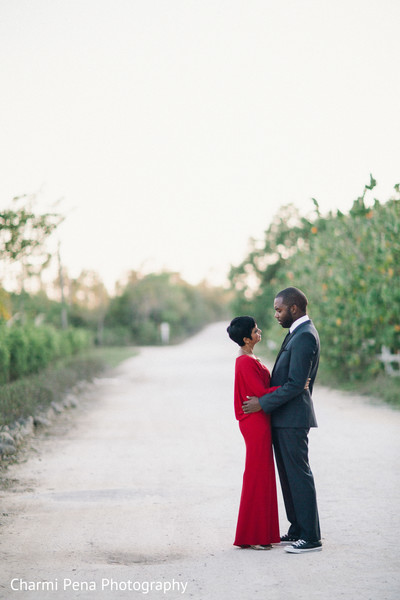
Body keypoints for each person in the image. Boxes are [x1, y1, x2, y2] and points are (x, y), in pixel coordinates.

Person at [243, 287, 322, 554]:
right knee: (288, 477)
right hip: (284, 418)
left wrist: (261, 403)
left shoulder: (304, 336)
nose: (276, 315)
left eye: (279, 310)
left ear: (294, 309)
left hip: (293, 419)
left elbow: (295, 384)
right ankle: (298, 528)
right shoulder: (296, 333)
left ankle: (311, 537)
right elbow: (292, 382)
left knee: (299, 476)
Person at [227, 316, 281, 550]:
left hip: (260, 419)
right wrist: (292, 385)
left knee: (262, 473)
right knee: (257, 474)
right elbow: (260, 392)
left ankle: (258, 533)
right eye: (255, 331)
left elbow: (263, 393)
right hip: (254, 422)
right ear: (247, 339)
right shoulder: (244, 362)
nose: (260, 332)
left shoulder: (250, 358)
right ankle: (255, 535)